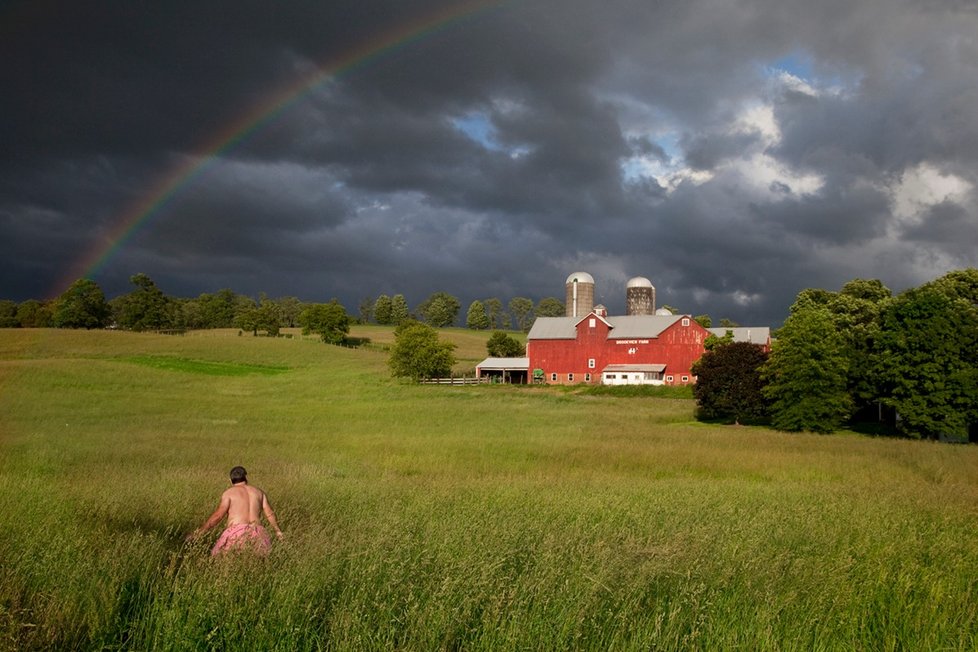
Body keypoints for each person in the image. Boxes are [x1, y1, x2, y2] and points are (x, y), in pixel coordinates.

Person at [187, 466, 284, 555]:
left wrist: (200, 532)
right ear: (246, 478)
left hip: (236, 533)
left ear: (230, 480)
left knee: (218, 559)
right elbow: (269, 513)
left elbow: (218, 516)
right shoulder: (259, 492)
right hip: (258, 532)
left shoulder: (229, 493)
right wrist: (278, 531)